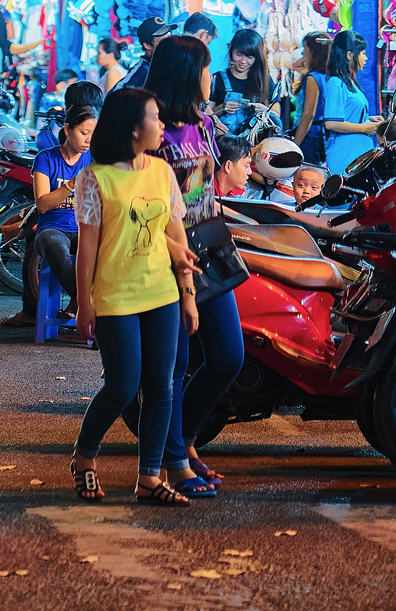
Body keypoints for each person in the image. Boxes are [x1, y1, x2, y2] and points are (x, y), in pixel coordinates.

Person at [69, 87, 201, 505]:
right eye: (154, 118)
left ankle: (149, 476)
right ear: (131, 128)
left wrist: (188, 294)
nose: (162, 125)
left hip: (161, 291)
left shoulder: (162, 172)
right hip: (116, 297)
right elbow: (86, 248)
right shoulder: (95, 176)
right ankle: (85, 457)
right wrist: (84, 303)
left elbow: (176, 235)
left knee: (162, 386)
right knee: (123, 386)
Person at [144, 35, 245, 497]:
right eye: (206, 68)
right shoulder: (151, 129)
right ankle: (173, 461)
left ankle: (184, 442)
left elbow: (205, 187)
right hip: (167, 253)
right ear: (188, 74)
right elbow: (142, 200)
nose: (212, 77)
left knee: (228, 356)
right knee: (175, 364)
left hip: (210, 246)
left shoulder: (204, 122)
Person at [18, 102, 96, 327]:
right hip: (53, 228)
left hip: (85, 226)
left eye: (93, 134)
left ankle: (85, 305)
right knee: (54, 246)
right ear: (67, 129)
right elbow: (42, 204)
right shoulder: (45, 158)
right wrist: (71, 185)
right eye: (84, 133)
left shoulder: (93, 160)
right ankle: (86, 302)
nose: (88, 140)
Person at [320, 30, 381, 175]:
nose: (365, 58)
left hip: (358, 154)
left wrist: (368, 119)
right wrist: (364, 128)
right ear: (349, 55)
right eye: (363, 53)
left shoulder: (350, 83)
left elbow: (346, 114)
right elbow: (332, 123)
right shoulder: (336, 83)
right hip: (345, 157)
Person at [210, 29, 271, 135]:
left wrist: (265, 111)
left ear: (257, 58)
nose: (243, 61)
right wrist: (221, 108)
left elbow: (277, 115)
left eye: (249, 57)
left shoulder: (265, 81)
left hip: (254, 143)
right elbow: (207, 116)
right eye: (239, 54)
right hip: (223, 143)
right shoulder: (217, 79)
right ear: (231, 50)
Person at [288, 30, 334, 166]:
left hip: (309, 137)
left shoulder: (313, 78)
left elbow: (308, 115)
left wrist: (295, 145)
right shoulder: (329, 77)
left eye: (305, 49)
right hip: (322, 136)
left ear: (314, 52)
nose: (302, 54)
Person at [118, 17, 173, 90]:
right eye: (163, 39)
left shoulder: (163, 66)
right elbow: (118, 94)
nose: (169, 43)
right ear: (147, 45)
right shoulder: (142, 71)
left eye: (168, 36)